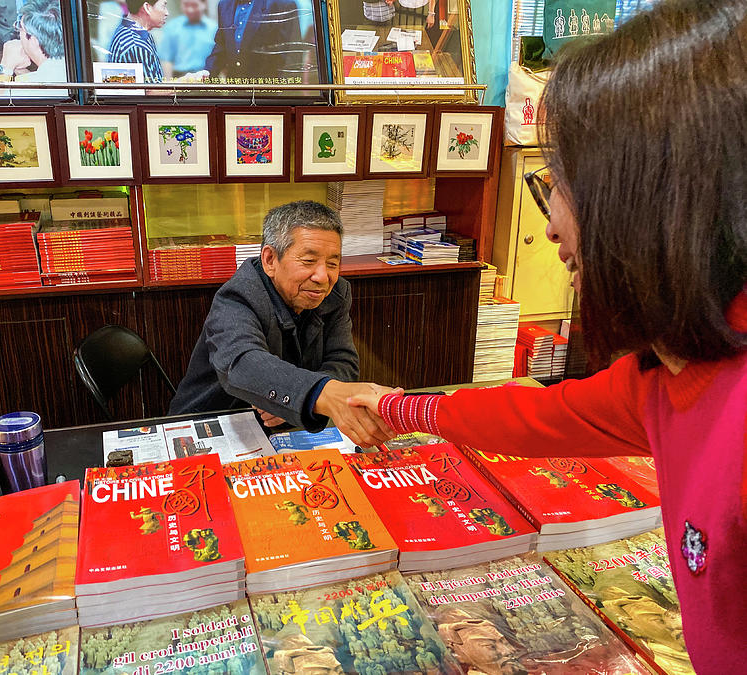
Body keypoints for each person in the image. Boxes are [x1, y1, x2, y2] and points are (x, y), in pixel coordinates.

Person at [346, 1, 747, 670]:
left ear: (645, 195)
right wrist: (397, 406)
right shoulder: (669, 369)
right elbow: (537, 415)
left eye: (558, 181)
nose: (551, 224)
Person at [168, 200, 396, 448]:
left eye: (333, 263)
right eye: (308, 261)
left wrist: (296, 400)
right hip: (213, 425)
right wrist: (314, 394)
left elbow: (343, 361)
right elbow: (242, 363)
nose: (323, 277)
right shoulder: (238, 296)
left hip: (285, 430)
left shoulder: (336, 292)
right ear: (269, 260)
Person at [202, 0, 301, 80]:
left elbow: (291, 57)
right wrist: (207, 72)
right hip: (235, 94)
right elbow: (221, 46)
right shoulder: (224, 4)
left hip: (268, 95)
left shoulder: (283, 3)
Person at [0, 0, 67, 82]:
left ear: (34, 41)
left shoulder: (33, 89)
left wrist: (6, 66)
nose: (17, 28)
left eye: (21, 27)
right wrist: (19, 70)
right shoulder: (67, 67)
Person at [107, 0, 168, 83]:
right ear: (147, 8)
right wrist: (186, 82)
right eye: (163, 6)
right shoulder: (136, 44)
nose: (166, 13)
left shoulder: (134, 32)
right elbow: (152, 91)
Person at [157, 0, 215, 79]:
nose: (190, 10)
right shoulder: (172, 27)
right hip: (180, 79)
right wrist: (169, 86)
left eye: (194, 5)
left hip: (207, 79)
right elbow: (166, 60)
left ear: (204, 4)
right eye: (186, 5)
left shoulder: (214, 29)